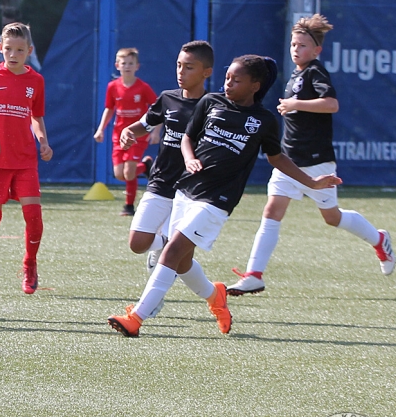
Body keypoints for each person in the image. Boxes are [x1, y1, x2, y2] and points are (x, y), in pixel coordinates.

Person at [107, 55, 342, 338]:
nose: (228, 83)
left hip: (217, 200)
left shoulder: (264, 120)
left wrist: (311, 182)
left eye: (236, 80)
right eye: (227, 77)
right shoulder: (211, 102)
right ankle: (215, 296)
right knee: (182, 263)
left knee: (171, 251)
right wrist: (190, 159)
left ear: (255, 85)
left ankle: (136, 318)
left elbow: (277, 157)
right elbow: (188, 137)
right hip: (187, 189)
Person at [227, 15, 395, 296]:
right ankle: (254, 275)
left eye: (303, 45)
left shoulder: (316, 71)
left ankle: (378, 239)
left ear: (317, 50)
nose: (296, 49)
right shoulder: (296, 74)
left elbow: (331, 104)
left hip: (316, 161)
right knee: (272, 210)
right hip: (289, 160)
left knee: (332, 217)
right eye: (294, 44)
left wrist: (296, 104)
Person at [119, 41, 215, 288]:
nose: (181, 72)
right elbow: (145, 124)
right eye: (179, 65)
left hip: (190, 189)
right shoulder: (168, 98)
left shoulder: (214, 106)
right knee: (137, 243)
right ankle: (163, 242)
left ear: (206, 72)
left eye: (189, 67)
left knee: (178, 259)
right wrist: (130, 131)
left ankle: (154, 300)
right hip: (161, 181)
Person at [0, 22, 51, 297]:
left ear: (29, 51)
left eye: (20, 50)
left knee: (34, 216)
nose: (13, 55)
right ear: (0, 47)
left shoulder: (36, 81)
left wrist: (43, 141)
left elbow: (37, 117)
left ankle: (29, 265)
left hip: (25, 160)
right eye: (9, 49)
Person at [93, 47, 157, 216]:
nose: (127, 66)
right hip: (119, 135)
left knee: (129, 172)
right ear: (117, 65)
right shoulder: (113, 87)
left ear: (137, 66)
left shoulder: (143, 87)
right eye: (124, 63)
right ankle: (145, 167)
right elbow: (109, 109)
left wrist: (156, 131)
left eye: (131, 63)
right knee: (119, 174)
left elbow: (157, 109)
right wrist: (100, 129)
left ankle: (129, 206)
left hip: (138, 134)